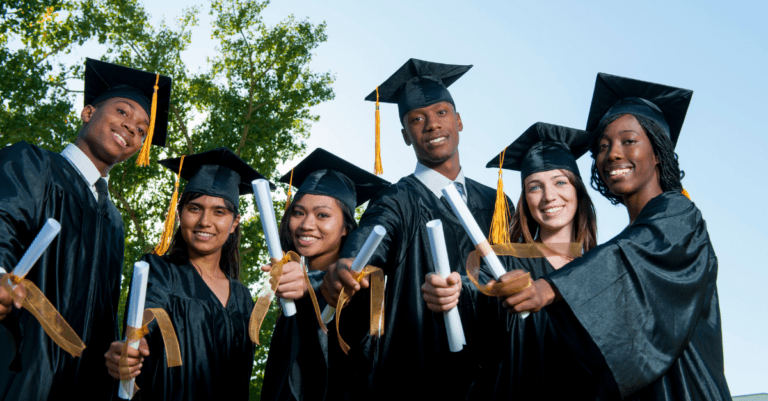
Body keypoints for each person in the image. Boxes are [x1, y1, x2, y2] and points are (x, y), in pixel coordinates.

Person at [500, 73, 732, 399]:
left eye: (629, 141)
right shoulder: (629, 238)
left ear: (658, 152)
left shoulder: (680, 215)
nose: (613, 153)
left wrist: (550, 287)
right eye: (603, 146)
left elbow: (627, 257)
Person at [320, 58, 513, 400]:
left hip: (493, 371)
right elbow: (371, 238)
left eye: (441, 113)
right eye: (416, 119)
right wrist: (346, 266)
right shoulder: (396, 199)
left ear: (459, 121)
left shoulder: (498, 203)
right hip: (418, 371)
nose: (431, 125)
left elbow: (514, 272)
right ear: (405, 136)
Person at [0, 58, 172, 400]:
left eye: (141, 129)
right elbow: (3, 220)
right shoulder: (34, 164)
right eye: (122, 112)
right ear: (88, 113)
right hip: (20, 366)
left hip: (85, 384)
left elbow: (104, 308)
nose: (131, 129)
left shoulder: (113, 220)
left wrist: (115, 355)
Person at [423, 122, 599, 400]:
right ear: (525, 199)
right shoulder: (503, 261)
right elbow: (478, 292)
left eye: (560, 182)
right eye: (534, 187)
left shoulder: (602, 267)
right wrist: (453, 291)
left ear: (578, 190)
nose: (549, 196)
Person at [103, 147, 263, 399]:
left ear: (234, 223)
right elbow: (143, 324)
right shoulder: (158, 271)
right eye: (195, 208)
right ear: (180, 215)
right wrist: (131, 349)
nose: (205, 222)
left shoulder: (244, 298)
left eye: (219, 212)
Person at [260, 147, 390, 401]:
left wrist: (312, 285)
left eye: (322, 215)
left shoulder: (360, 286)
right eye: (298, 213)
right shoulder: (289, 293)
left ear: (345, 228)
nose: (306, 224)